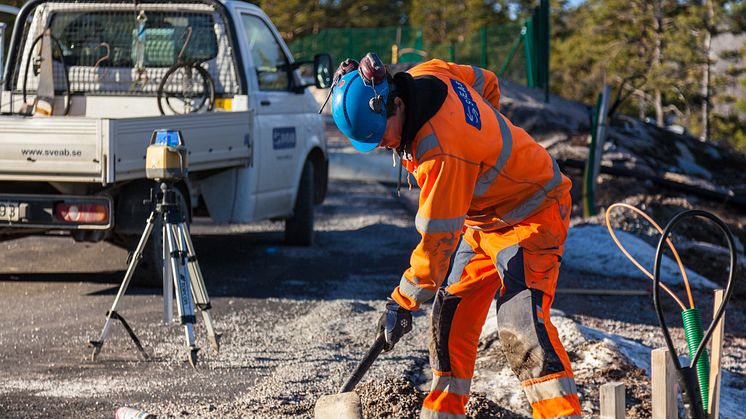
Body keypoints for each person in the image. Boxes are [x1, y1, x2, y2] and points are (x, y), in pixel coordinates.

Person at [330, 53, 581, 419]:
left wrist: (402, 302)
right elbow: (488, 82)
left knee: (519, 325)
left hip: (532, 212)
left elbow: (435, 246)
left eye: (381, 134)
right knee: (448, 318)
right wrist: (484, 145)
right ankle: (443, 414)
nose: (382, 145)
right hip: (482, 222)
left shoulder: (441, 154)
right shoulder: (429, 73)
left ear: (395, 104)